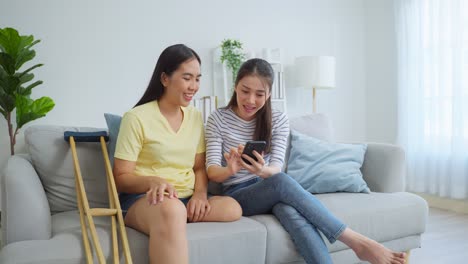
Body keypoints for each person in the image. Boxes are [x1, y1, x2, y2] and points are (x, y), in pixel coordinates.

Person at [205, 58, 407, 264]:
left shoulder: (278, 119)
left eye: (259, 94)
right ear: (235, 87)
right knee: (282, 181)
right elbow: (212, 171)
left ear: (269, 94)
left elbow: (275, 168)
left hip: (269, 185)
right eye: (245, 91)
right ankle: (356, 242)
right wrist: (230, 169)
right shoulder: (218, 118)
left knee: (290, 213)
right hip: (238, 195)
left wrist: (261, 170)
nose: (250, 100)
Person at [113, 44, 242, 264]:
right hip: (144, 199)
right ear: (165, 78)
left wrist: (200, 195)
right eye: (187, 78)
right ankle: (173, 217)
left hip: (184, 199)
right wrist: (154, 181)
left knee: (232, 208)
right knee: (172, 210)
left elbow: (199, 167)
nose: (194, 86)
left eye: (198, 79)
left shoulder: (194, 117)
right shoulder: (136, 118)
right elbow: (121, 178)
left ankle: (177, 217)